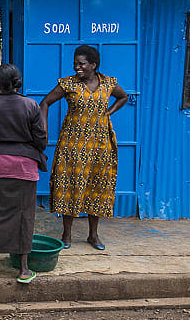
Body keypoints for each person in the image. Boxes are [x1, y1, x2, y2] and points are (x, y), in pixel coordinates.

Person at [39, 45, 128, 250]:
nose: (77, 67)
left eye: (82, 64)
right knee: (70, 185)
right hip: (73, 145)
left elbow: (123, 97)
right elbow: (45, 103)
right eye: (75, 64)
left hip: (100, 145)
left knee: (97, 187)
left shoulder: (108, 83)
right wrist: (44, 132)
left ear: (93, 65)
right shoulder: (68, 83)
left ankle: (93, 235)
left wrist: (108, 112)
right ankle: (67, 234)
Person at [0, 64, 47, 283]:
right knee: (24, 216)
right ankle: (24, 269)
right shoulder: (31, 105)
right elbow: (41, 140)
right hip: (24, 167)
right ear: (18, 83)